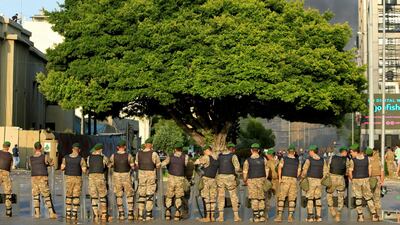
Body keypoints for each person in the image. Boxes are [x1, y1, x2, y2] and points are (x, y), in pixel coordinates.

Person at [348, 144, 379, 222]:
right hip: (366, 179)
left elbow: (350, 172)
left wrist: (353, 179)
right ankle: (374, 215)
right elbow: (370, 170)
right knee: (368, 198)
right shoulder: (367, 159)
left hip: (356, 180)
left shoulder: (353, 160)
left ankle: (360, 216)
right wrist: (367, 177)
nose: (351, 154)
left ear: (355, 152)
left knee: (358, 198)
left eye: (351, 152)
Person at [161, 143, 189, 221]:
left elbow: (162, 164)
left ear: (175, 149)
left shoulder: (170, 156)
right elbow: (187, 166)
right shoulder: (185, 157)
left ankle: (167, 213)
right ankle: (177, 213)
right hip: (180, 178)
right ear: (181, 149)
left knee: (169, 195)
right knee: (178, 196)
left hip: (171, 178)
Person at [29, 142, 57, 219]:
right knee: (46, 195)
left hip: (34, 177)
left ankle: (37, 213)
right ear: (41, 148)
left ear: (34, 149)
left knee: (36, 196)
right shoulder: (45, 156)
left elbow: (30, 166)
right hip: (43, 177)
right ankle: (51, 213)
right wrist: (48, 164)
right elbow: (52, 163)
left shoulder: (31, 158)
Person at [135, 138, 161, 221]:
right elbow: (158, 165)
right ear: (151, 145)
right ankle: (148, 215)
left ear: (145, 145)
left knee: (141, 195)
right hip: (151, 176)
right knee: (149, 195)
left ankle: (140, 215)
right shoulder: (154, 154)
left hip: (141, 176)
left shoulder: (138, 153)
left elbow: (137, 164)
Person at [301, 145, 328, 222]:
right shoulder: (322, 160)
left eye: (309, 151)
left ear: (312, 151)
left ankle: (310, 217)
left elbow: (304, 171)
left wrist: (302, 178)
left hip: (310, 181)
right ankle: (319, 217)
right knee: (318, 198)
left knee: (310, 198)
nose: (309, 152)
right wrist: (321, 180)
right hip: (319, 181)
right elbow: (325, 172)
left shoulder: (309, 160)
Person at [61, 143, 87, 221]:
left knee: (69, 195)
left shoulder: (65, 158)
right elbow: (84, 170)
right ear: (79, 150)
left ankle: (68, 213)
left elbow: (62, 168)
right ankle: (74, 214)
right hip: (77, 179)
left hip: (68, 178)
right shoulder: (81, 159)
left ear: (72, 149)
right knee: (76, 196)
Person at [243, 143, 269, 222]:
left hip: (252, 180)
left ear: (251, 150)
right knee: (261, 198)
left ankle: (255, 217)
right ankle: (262, 216)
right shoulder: (263, 159)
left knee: (254, 198)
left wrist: (245, 180)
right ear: (258, 150)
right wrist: (265, 178)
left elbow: (245, 171)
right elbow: (267, 170)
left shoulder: (247, 160)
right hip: (262, 180)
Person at [109, 139, 135, 220]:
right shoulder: (129, 155)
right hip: (126, 176)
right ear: (125, 147)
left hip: (116, 176)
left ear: (117, 147)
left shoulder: (113, 156)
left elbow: (110, 165)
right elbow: (133, 166)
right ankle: (130, 214)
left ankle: (121, 214)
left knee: (118, 195)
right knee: (129, 194)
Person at [216, 143, 241, 222]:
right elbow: (237, 168)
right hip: (230, 177)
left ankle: (220, 217)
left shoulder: (219, 156)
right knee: (233, 196)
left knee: (221, 197)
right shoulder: (233, 156)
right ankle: (236, 216)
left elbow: (217, 166)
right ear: (232, 148)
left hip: (220, 178)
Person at [275, 144, 300, 223]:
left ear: (288, 152)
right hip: (293, 180)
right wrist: (295, 177)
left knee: (282, 198)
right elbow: (299, 171)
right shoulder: (297, 160)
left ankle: (279, 216)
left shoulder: (284, 159)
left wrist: (279, 178)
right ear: (294, 152)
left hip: (285, 179)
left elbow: (279, 168)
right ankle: (290, 217)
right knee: (292, 199)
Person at [194, 145, 219, 222]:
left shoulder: (206, 157)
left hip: (206, 180)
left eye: (204, 151)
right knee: (213, 199)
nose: (204, 152)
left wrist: (200, 171)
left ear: (206, 150)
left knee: (207, 199)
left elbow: (196, 163)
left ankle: (208, 217)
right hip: (214, 180)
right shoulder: (216, 157)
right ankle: (212, 217)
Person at [87, 143, 109, 222]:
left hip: (91, 178)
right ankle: (104, 214)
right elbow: (109, 165)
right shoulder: (103, 157)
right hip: (100, 177)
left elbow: (88, 166)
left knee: (94, 196)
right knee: (102, 196)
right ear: (100, 150)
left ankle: (96, 214)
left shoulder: (89, 157)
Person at [327, 146, 349, 222]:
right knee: (340, 196)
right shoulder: (346, 159)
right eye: (346, 152)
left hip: (332, 178)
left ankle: (331, 208)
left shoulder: (332, 157)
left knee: (329, 194)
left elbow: (328, 167)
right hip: (340, 178)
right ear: (344, 152)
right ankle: (338, 214)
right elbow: (347, 171)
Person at [368, 147, 384, 221]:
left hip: (371, 179)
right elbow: (382, 172)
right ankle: (379, 215)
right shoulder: (379, 161)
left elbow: (370, 172)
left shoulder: (369, 160)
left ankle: (373, 215)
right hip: (378, 179)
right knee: (377, 198)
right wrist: (381, 181)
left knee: (370, 197)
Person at [264, 148, 279, 219]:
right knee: (275, 198)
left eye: (267, 155)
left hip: (272, 181)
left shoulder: (269, 162)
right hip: (275, 181)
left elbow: (266, 173)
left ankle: (267, 214)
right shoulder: (278, 161)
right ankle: (276, 215)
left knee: (269, 198)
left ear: (270, 155)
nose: (267, 156)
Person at [0, 141, 13, 217]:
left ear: (2, 145)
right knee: (8, 192)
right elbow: (10, 167)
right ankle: (8, 211)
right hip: (6, 173)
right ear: (8, 147)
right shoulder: (10, 155)